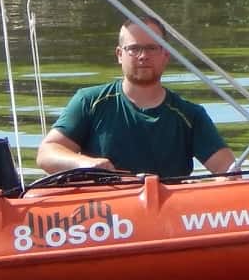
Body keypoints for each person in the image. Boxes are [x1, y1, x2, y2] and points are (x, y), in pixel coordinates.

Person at [37, 18, 236, 179]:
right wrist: (86, 164)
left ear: (166, 54)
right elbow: (46, 154)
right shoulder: (89, 102)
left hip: (170, 216)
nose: (143, 56)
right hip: (105, 216)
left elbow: (230, 171)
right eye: (134, 48)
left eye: (152, 48)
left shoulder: (191, 115)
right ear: (119, 54)